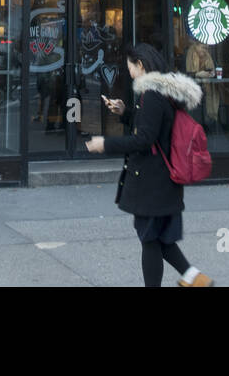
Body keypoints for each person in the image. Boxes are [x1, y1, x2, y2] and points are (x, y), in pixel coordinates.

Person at [85, 42, 214, 287]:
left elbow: (144, 139)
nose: (130, 73)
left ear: (141, 65)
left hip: (153, 183)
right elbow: (154, 128)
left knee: (150, 240)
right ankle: (196, 278)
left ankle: (194, 278)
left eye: (130, 68)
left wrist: (105, 144)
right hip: (162, 182)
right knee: (159, 239)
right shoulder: (162, 92)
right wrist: (125, 113)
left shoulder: (152, 95)